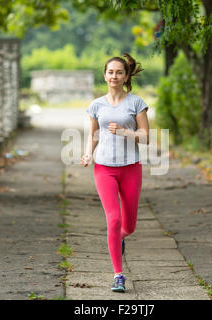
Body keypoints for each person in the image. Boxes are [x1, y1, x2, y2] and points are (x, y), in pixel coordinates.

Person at [81, 53, 150, 293]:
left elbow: (146, 137)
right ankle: (118, 275)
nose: (114, 76)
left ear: (126, 76)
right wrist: (88, 153)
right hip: (104, 169)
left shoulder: (136, 103)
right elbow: (94, 134)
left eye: (119, 72)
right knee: (113, 219)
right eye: (110, 72)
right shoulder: (96, 105)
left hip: (131, 168)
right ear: (105, 75)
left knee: (128, 227)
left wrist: (124, 132)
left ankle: (118, 239)